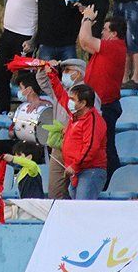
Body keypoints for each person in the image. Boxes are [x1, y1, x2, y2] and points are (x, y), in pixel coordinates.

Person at [36, 59, 97, 199]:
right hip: (59, 146)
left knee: (78, 195)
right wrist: (43, 67)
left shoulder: (89, 95)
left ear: (78, 73)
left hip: (79, 149)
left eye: (68, 71)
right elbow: (42, 81)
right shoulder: (61, 90)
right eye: (63, 71)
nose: (64, 74)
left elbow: (94, 120)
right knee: (55, 191)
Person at [78, 6, 126, 181]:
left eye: (105, 30)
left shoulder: (114, 47)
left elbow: (85, 38)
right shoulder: (110, 47)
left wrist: (88, 19)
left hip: (105, 104)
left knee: (106, 147)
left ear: (114, 34)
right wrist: (86, 21)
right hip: (100, 103)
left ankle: (112, 179)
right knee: (103, 145)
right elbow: (83, 42)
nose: (103, 33)